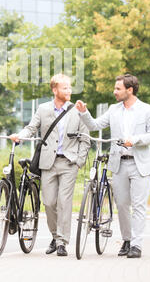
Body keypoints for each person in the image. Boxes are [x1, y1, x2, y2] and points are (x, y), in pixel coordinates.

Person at [76, 73, 150, 258]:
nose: (114, 92)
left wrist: (135, 140)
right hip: (119, 164)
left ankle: (136, 245)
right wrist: (83, 113)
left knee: (138, 206)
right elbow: (95, 125)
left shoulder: (148, 110)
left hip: (140, 166)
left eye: (118, 89)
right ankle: (127, 240)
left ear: (129, 90)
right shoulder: (114, 110)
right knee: (121, 204)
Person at [9, 73, 90, 256]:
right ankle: (55, 236)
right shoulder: (43, 109)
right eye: (65, 88)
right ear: (55, 90)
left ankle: (62, 242)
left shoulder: (78, 110)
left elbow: (85, 140)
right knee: (49, 202)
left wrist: (79, 161)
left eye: (70, 87)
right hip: (48, 163)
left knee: (64, 202)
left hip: (69, 162)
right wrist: (20, 137)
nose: (69, 91)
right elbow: (31, 128)